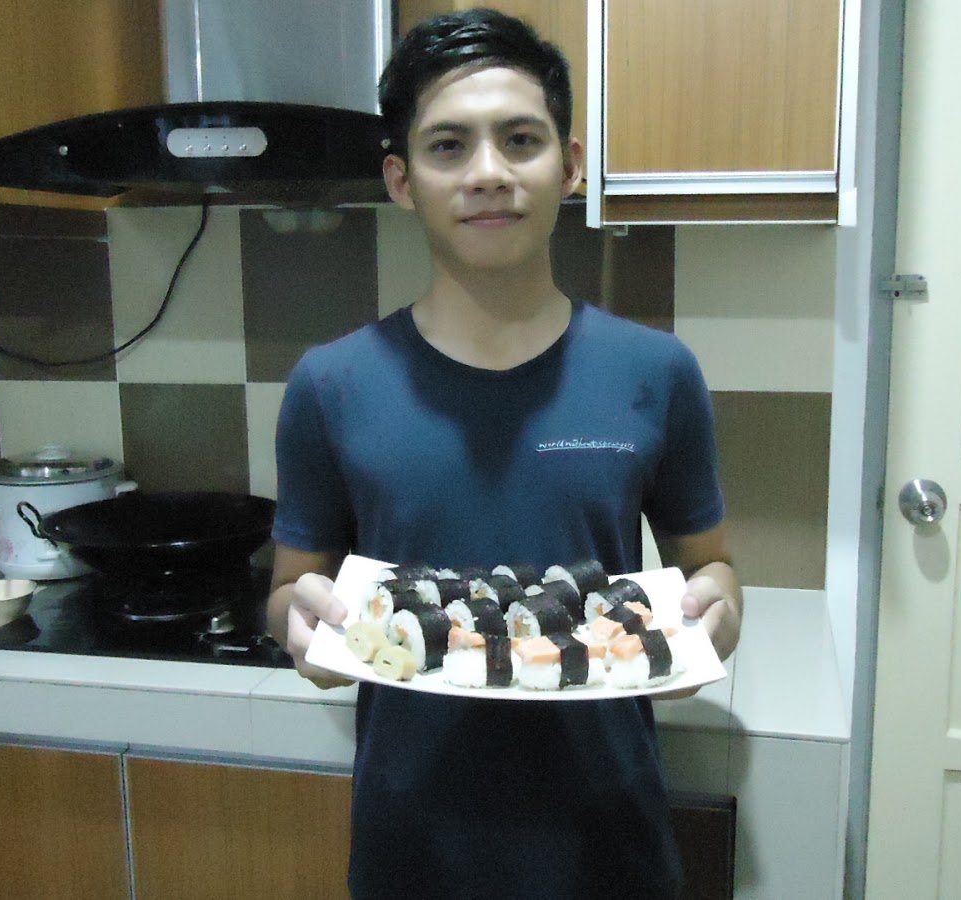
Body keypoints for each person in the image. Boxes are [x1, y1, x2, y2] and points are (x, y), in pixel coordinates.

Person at [268, 8, 743, 898]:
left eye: (520, 140)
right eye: (449, 147)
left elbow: (711, 571)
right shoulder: (331, 385)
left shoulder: (657, 372)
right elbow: (291, 590)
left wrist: (716, 618)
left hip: (610, 843)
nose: (488, 172)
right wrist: (300, 625)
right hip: (412, 847)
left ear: (569, 166)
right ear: (401, 180)